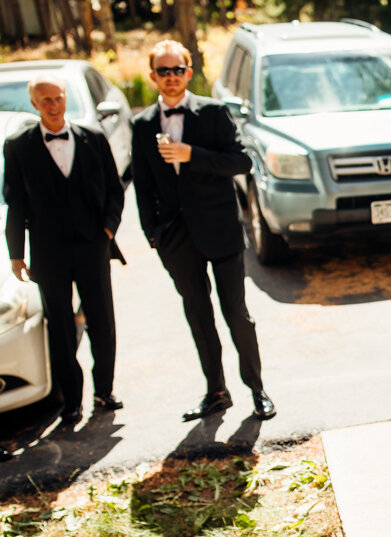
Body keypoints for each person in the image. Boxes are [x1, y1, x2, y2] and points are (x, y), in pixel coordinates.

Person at [131, 40, 275, 422]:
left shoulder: (213, 113)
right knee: (198, 315)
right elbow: (142, 185)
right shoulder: (142, 124)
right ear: (153, 77)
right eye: (164, 71)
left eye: (178, 70)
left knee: (236, 314)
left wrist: (191, 154)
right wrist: (153, 233)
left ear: (189, 73)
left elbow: (241, 162)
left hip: (221, 231)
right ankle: (216, 391)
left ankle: (257, 389)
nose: (172, 77)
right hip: (176, 239)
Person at [4, 74, 125, 429]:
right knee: (59, 329)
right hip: (48, 252)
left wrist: (107, 230)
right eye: (46, 101)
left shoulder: (93, 138)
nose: (55, 106)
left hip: (92, 247)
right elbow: (15, 203)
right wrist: (16, 253)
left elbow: (115, 190)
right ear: (34, 105)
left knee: (102, 322)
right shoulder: (18, 146)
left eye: (58, 98)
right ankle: (71, 402)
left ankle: (105, 390)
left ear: (65, 98)